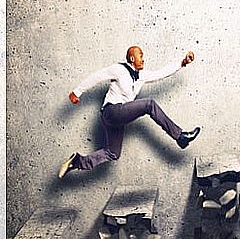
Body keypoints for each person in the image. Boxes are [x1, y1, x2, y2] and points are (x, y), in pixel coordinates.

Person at [58, 46, 200, 179]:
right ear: (132, 59)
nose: (143, 59)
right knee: (149, 104)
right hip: (111, 111)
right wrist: (77, 92)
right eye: (141, 56)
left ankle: (77, 162)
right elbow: (97, 76)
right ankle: (180, 136)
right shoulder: (118, 69)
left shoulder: (141, 75)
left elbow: (160, 73)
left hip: (117, 119)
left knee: (112, 153)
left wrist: (182, 62)